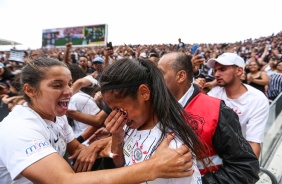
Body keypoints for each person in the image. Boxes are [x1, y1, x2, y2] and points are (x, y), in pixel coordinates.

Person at [0, 57, 194, 184]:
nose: (68, 91)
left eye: (69, 83)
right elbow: (63, 181)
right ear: (29, 90)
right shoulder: (18, 128)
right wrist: (153, 167)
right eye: (57, 85)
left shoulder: (55, 118)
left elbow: (78, 150)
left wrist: (110, 142)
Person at [99, 58, 208, 184]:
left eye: (119, 109)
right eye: (112, 110)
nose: (116, 116)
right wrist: (117, 137)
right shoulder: (130, 125)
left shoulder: (173, 148)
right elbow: (121, 163)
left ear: (144, 93)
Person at [158, 52, 259, 184]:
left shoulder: (217, 111)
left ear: (181, 76)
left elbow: (246, 168)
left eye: (161, 74)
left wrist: (198, 183)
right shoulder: (155, 108)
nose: (155, 80)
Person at [206, 52, 269, 158]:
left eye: (222, 69)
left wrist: (247, 170)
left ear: (239, 71)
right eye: (215, 70)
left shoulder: (257, 99)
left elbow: (253, 142)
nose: (216, 74)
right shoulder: (214, 93)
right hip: (213, 154)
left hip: (238, 155)